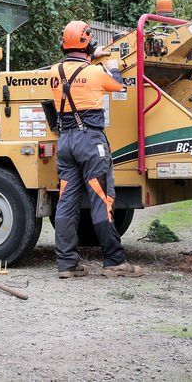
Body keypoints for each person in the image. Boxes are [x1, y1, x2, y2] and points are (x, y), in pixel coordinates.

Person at [49, 21, 142, 278]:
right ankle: (114, 261)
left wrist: (93, 58)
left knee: (66, 203)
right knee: (101, 200)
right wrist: (111, 65)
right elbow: (119, 85)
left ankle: (67, 264)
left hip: (66, 142)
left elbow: (78, 71)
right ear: (88, 44)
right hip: (90, 142)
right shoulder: (96, 73)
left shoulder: (55, 72)